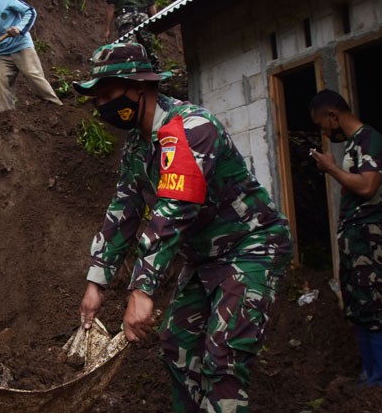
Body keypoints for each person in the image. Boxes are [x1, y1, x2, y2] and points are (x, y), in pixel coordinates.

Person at [73, 43, 293, 412]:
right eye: (96, 97)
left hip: (251, 245)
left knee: (224, 355)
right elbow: (124, 210)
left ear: (138, 86)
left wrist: (142, 290)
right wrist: (96, 283)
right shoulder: (137, 148)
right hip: (204, 256)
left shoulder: (192, 128)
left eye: (107, 93)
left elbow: (174, 209)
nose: (101, 105)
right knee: (177, 345)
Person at [309, 89, 382, 388]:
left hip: (371, 239)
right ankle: (368, 375)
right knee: (359, 306)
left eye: (323, 125)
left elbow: (367, 186)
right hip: (354, 239)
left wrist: (331, 168)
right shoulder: (353, 145)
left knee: (376, 305)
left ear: (333, 116)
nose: (325, 131)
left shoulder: (371, 139)